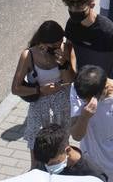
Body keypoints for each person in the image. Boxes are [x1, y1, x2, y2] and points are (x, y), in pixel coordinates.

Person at [10, 20, 76, 159]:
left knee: (62, 144)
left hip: (61, 106)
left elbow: (70, 80)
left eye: (60, 42)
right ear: (43, 44)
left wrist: (63, 64)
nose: (58, 46)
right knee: (37, 145)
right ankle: (36, 170)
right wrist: (39, 90)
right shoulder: (28, 55)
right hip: (40, 107)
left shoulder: (66, 48)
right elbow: (16, 88)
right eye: (54, 45)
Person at [30, 122, 106, 179]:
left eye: (54, 163)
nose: (48, 168)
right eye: (45, 164)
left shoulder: (93, 176)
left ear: (68, 151)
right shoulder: (45, 157)